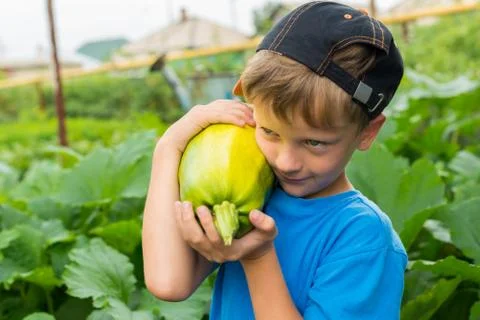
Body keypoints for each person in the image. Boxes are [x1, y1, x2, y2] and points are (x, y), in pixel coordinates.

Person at [142, 1, 408, 319]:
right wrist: (169, 147)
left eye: (314, 142)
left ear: (367, 131)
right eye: (269, 131)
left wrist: (258, 257)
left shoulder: (364, 238)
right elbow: (168, 282)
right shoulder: (255, 190)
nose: (285, 162)